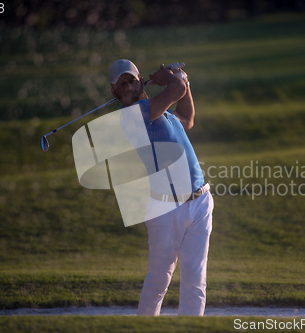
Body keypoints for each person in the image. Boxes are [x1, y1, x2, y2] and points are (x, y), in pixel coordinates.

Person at [108, 59, 214, 316]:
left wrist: (181, 79)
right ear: (115, 92)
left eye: (132, 79)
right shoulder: (132, 117)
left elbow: (187, 117)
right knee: (159, 280)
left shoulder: (162, 112)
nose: (130, 86)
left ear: (140, 79)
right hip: (165, 209)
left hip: (200, 202)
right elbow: (174, 90)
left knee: (195, 280)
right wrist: (172, 78)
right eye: (123, 84)